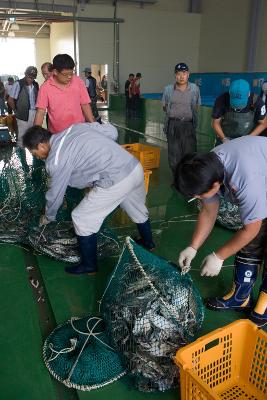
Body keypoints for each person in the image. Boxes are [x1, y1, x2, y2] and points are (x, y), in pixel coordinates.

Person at [23, 123, 155, 275]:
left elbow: (55, 195)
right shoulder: (74, 128)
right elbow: (112, 131)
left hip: (115, 180)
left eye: (34, 153)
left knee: (81, 218)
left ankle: (89, 266)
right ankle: (148, 243)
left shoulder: (55, 160)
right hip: (133, 167)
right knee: (136, 208)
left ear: (41, 146)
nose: (37, 157)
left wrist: (48, 216)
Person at [175, 136, 267, 327]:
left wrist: (219, 256)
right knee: (249, 241)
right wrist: (193, 247)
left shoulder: (245, 178)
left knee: (252, 231)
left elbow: (252, 228)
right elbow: (209, 210)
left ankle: (265, 303)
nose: (198, 198)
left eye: (200, 194)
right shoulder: (208, 168)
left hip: (258, 177)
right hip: (260, 179)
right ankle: (240, 297)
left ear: (216, 185)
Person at [34, 54, 94, 134]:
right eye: (65, 74)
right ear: (55, 72)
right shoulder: (45, 88)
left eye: (71, 73)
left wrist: (93, 126)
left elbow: (85, 105)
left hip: (79, 131)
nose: (69, 77)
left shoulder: (78, 82)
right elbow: (40, 112)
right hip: (58, 134)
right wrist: (35, 135)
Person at [162, 63, 201, 176]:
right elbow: (165, 107)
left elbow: (196, 107)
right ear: (175, 75)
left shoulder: (195, 89)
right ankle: (177, 178)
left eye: (184, 73)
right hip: (173, 124)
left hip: (188, 124)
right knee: (174, 153)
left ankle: (188, 177)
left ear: (188, 75)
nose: (181, 76)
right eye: (179, 74)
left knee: (190, 153)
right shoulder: (168, 89)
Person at [212, 79, 266, 144]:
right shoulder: (221, 100)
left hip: (247, 139)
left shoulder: (257, 101)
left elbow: (264, 123)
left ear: (248, 94)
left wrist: (249, 137)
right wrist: (224, 139)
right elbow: (215, 122)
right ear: (229, 93)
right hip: (225, 137)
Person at [7, 66, 38, 147]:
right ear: (25, 74)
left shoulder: (35, 84)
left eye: (33, 77)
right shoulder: (18, 84)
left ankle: (34, 155)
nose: (31, 79)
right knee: (22, 137)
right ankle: (22, 158)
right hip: (22, 114)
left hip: (35, 113)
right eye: (29, 77)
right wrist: (16, 111)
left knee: (34, 135)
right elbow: (10, 100)